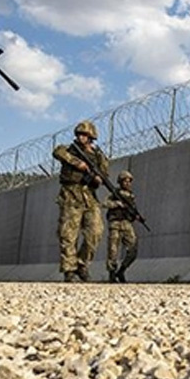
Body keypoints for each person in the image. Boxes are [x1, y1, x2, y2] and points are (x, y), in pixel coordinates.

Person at [53, 121, 108, 282]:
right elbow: (58, 152)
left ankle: (82, 264)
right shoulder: (69, 149)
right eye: (78, 134)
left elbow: (104, 174)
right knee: (68, 234)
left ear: (91, 136)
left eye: (84, 134)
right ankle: (69, 270)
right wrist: (78, 163)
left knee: (96, 231)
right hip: (71, 193)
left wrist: (98, 178)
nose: (80, 137)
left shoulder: (98, 155)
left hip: (89, 195)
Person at [104, 170, 144, 283]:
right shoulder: (114, 194)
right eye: (124, 181)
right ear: (120, 182)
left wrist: (137, 217)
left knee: (133, 248)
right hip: (115, 223)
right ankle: (112, 273)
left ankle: (121, 270)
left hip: (126, 223)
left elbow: (132, 210)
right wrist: (117, 204)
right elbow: (105, 203)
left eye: (129, 181)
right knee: (113, 250)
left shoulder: (131, 196)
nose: (127, 183)